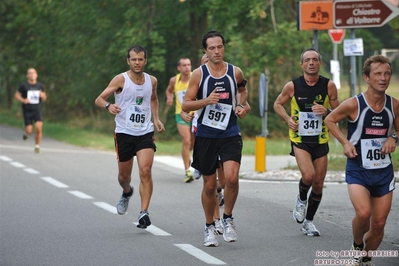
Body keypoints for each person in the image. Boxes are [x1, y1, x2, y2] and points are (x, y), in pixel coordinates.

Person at [325, 55, 398, 265]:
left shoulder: (394, 105)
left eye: (386, 74)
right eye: (377, 74)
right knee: (364, 213)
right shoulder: (353, 104)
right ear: (367, 77)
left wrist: (393, 137)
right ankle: (357, 244)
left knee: (379, 223)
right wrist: (345, 143)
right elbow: (330, 120)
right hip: (358, 168)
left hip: (383, 171)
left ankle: (365, 258)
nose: (383, 78)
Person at [182, 29, 249, 247]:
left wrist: (240, 105)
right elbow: (186, 104)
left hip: (229, 132)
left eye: (220, 46)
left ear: (224, 47)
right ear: (205, 50)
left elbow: (242, 90)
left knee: (232, 177)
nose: (216, 51)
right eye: (212, 47)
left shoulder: (235, 71)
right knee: (210, 186)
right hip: (207, 133)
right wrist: (205, 101)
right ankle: (209, 226)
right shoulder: (199, 74)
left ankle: (228, 218)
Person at [94, 45, 165, 229]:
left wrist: (156, 119)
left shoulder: (152, 81)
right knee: (124, 176)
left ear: (145, 60)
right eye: (133, 59)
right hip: (124, 132)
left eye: (140, 59)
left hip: (144, 132)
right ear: (128, 61)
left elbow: (154, 99)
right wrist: (109, 106)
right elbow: (99, 99)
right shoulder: (121, 79)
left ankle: (144, 213)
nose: (137, 62)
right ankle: (127, 192)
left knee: (145, 171)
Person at [273, 48, 339, 237]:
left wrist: (326, 112)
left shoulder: (329, 86)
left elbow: (339, 110)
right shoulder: (292, 86)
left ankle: (308, 222)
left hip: (320, 139)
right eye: (307, 60)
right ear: (301, 64)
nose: (311, 63)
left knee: (318, 183)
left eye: (315, 60)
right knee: (308, 176)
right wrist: (288, 119)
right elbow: (277, 104)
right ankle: (301, 200)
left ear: (320, 63)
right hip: (300, 138)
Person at [165, 58, 196, 183]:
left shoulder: (196, 76)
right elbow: (169, 90)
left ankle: (190, 159)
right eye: (184, 65)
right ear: (179, 68)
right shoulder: (174, 80)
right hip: (181, 113)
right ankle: (187, 170)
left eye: (189, 64)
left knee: (194, 143)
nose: (187, 67)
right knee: (186, 140)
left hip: (196, 114)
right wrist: (169, 98)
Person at [14, 68, 47, 154]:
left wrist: (42, 95)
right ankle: (27, 134)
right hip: (27, 110)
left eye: (34, 73)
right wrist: (23, 100)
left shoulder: (40, 86)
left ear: (36, 75)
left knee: (39, 127)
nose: (32, 74)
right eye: (30, 73)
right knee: (29, 130)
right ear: (27, 76)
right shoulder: (24, 86)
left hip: (37, 110)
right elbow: (17, 95)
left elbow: (44, 98)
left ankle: (37, 146)